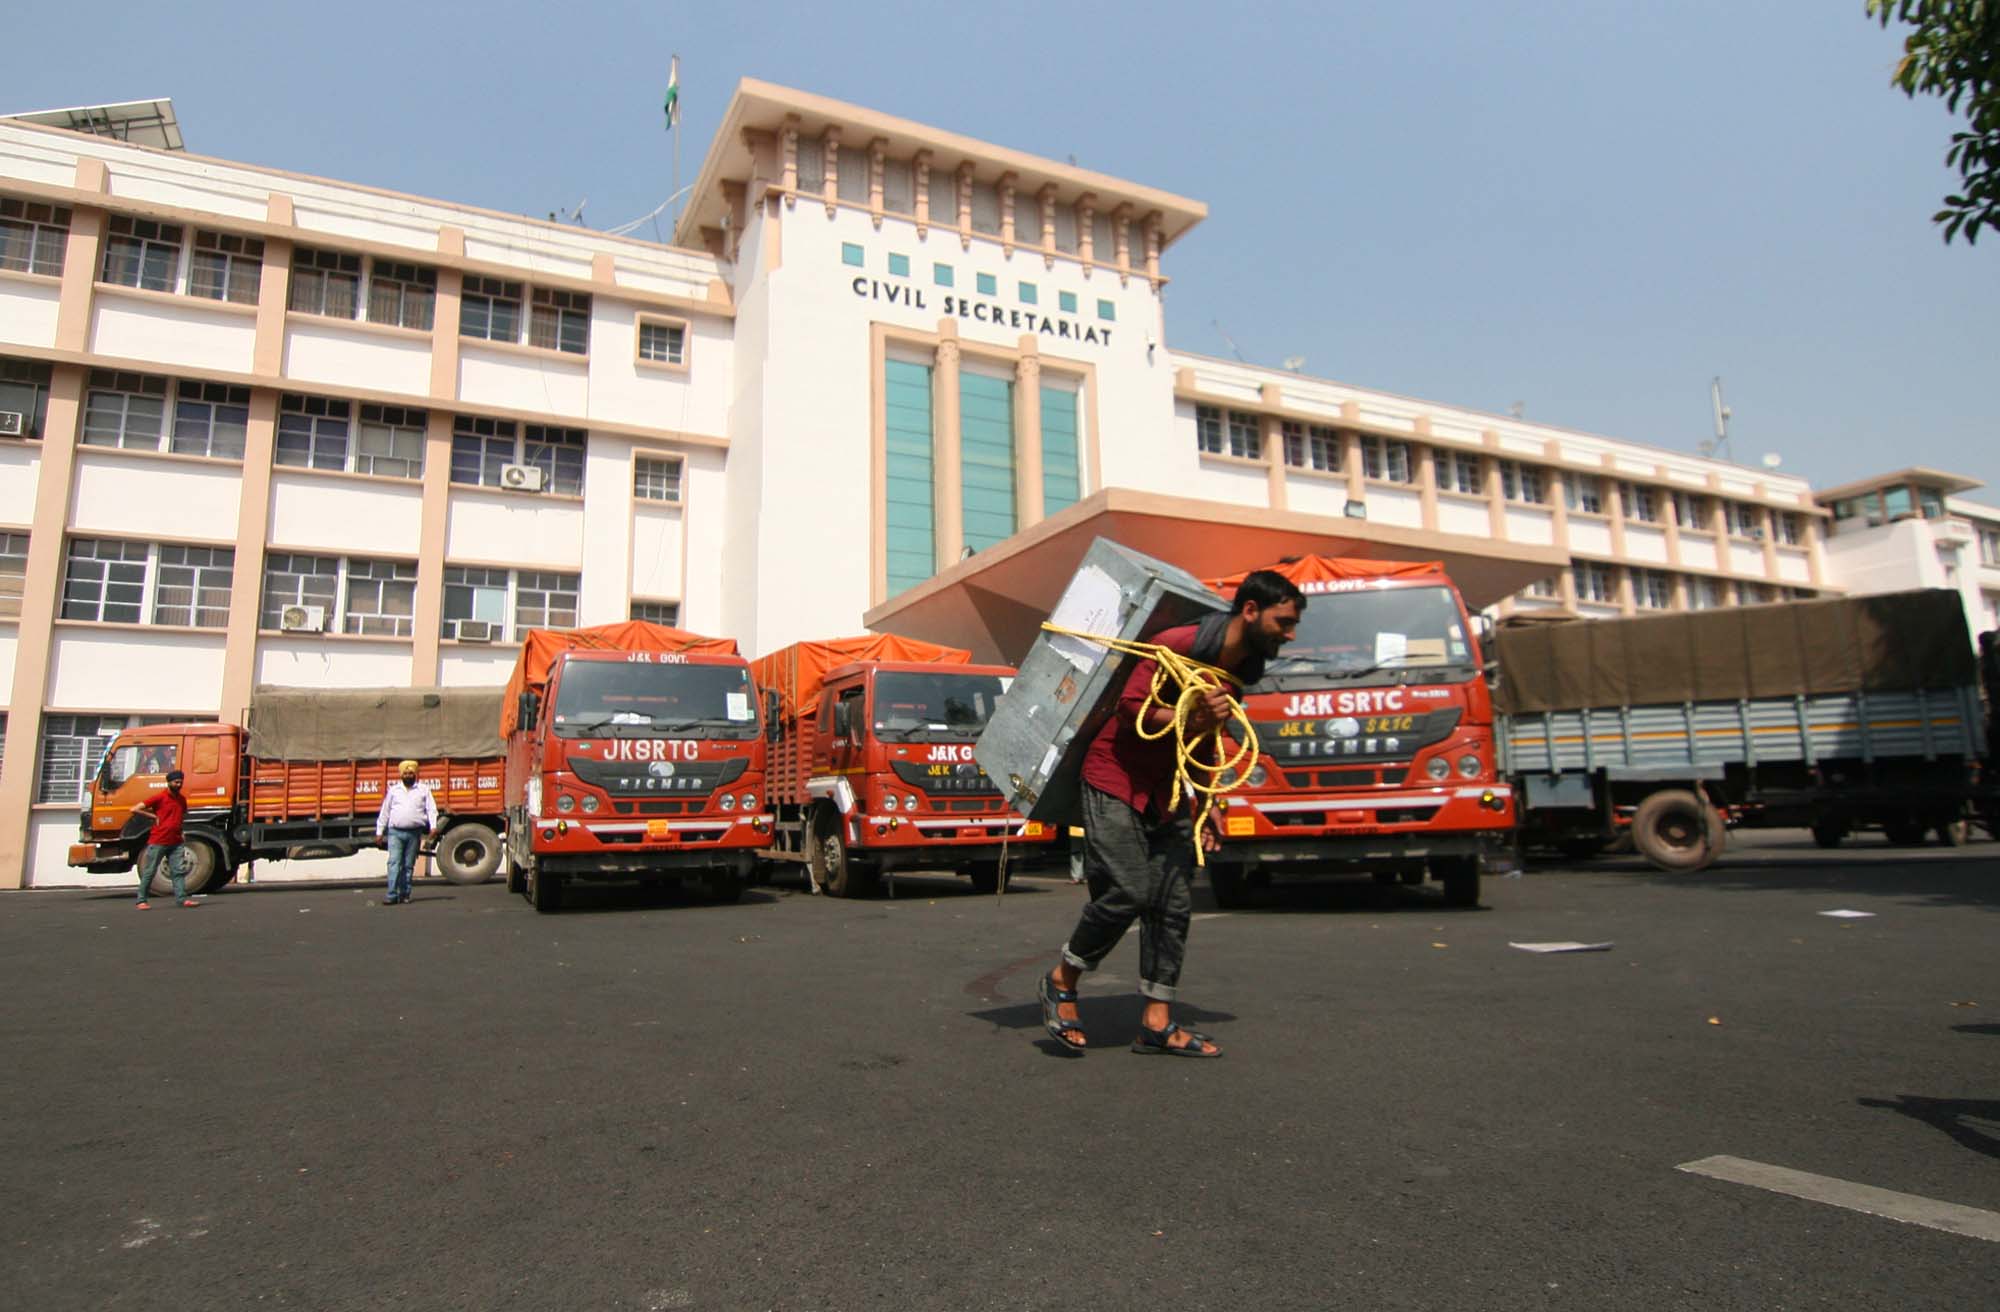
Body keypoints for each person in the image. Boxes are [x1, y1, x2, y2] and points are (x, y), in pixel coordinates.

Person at [1039, 569, 1305, 1057]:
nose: (1289, 635)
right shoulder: (1177, 645)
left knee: (1173, 902)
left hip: (1168, 789)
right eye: (1283, 622)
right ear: (1250, 610)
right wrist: (1192, 715)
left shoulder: (1239, 671)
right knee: (1127, 891)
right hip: (1115, 776)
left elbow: (1205, 739)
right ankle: (1062, 979)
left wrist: (1209, 801)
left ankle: (1156, 1022)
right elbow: (1130, 709)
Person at [131, 769, 197, 910]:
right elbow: (135, 809)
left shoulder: (181, 799)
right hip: (158, 840)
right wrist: (153, 816)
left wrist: (182, 831)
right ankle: (141, 900)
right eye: (176, 782)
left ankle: (181, 899)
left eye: (180, 782)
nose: (179, 784)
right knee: (150, 871)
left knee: (178, 871)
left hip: (176, 841)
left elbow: (181, 816)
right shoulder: (159, 797)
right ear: (169, 782)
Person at [375, 760, 438, 905]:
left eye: (411, 773)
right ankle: (391, 895)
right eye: (406, 773)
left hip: (414, 833)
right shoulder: (394, 790)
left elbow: (431, 809)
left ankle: (404, 894)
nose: (408, 775)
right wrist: (379, 832)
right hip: (395, 832)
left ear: (415, 774)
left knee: (408, 865)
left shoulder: (423, 789)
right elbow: (385, 811)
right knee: (394, 863)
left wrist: (433, 826)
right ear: (401, 775)